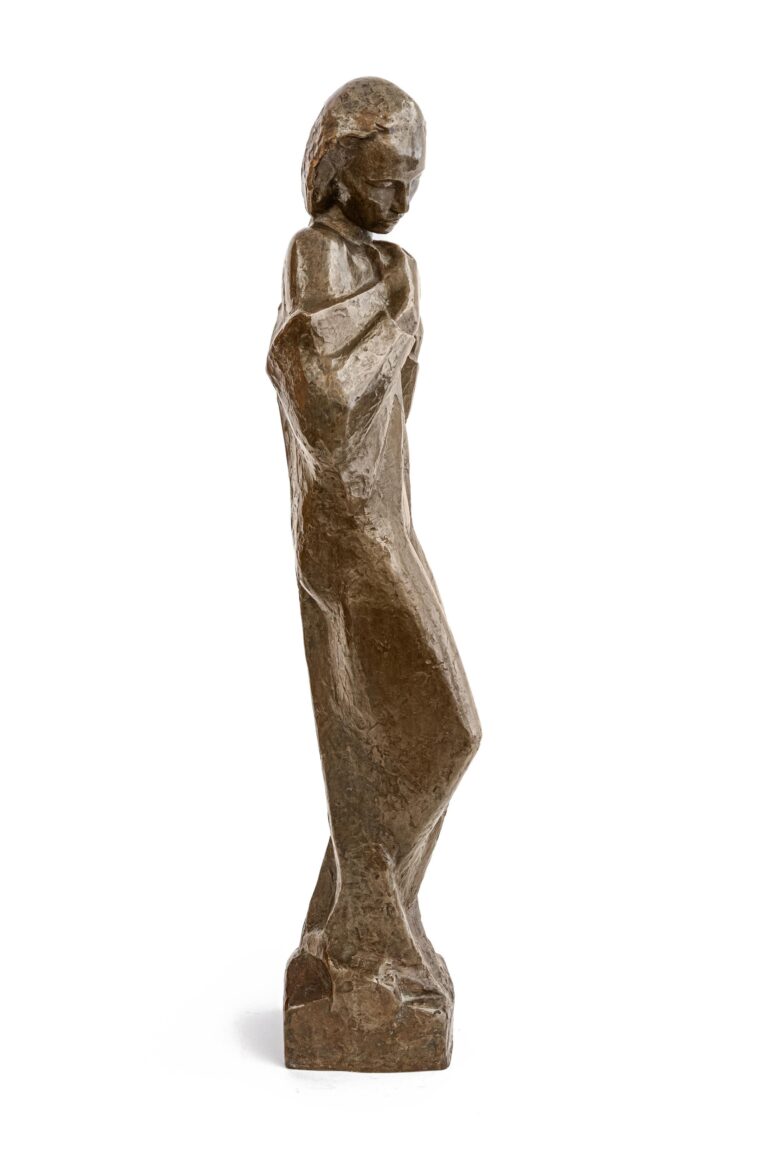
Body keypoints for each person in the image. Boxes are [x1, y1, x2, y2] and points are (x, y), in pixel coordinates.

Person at [267, 77, 481, 1070]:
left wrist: (399, 307)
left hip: (387, 516)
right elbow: (321, 395)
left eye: (413, 182)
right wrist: (395, 316)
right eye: (387, 181)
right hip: (345, 530)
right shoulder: (317, 254)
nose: (402, 202)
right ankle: (364, 938)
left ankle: (351, 932)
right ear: (338, 169)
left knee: (435, 734)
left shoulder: (393, 267)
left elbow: (397, 412)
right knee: (428, 731)